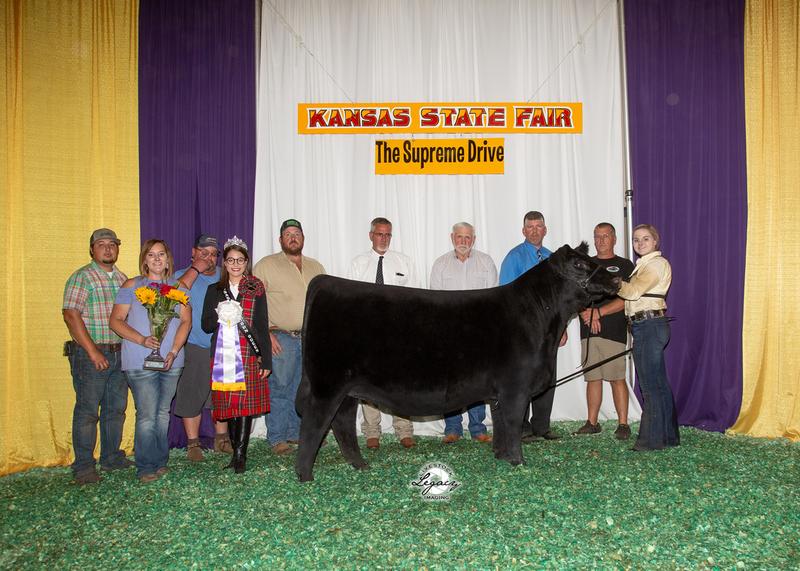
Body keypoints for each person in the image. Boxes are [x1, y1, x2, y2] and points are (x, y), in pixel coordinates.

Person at [110, 239, 191, 483]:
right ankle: (145, 466)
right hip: (139, 360)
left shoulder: (179, 288)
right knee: (147, 414)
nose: (157, 259)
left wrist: (174, 351)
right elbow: (116, 320)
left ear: (168, 259)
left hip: (170, 361)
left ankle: (159, 461)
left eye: (161, 254)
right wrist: (142, 339)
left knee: (163, 413)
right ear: (144, 260)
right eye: (152, 255)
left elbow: (186, 322)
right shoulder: (132, 285)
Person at [62, 228, 132, 484]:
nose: (107, 249)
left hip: (119, 351)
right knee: (88, 410)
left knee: (116, 409)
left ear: (117, 249)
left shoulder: (123, 278)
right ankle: (83, 466)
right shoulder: (83, 277)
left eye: (112, 244)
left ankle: (111, 457)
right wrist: (92, 351)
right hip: (90, 352)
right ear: (92, 249)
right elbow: (71, 315)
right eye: (101, 244)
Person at [253, 219, 325, 455]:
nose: (293, 237)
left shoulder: (316, 267)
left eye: (297, 233)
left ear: (303, 238)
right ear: (280, 240)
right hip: (280, 336)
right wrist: (266, 334)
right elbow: (253, 304)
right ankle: (277, 437)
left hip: (310, 338)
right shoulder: (266, 265)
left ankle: (295, 433)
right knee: (280, 388)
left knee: (302, 388)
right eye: (287, 234)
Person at [201, 237, 271, 473]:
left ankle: (240, 456)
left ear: (246, 262)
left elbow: (261, 325)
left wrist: (266, 359)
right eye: (231, 260)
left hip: (249, 354)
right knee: (229, 405)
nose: (235, 264)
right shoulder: (215, 290)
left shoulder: (256, 287)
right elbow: (206, 325)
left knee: (244, 406)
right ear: (225, 262)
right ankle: (235, 454)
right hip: (222, 356)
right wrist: (221, 315)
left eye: (240, 260)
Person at [348, 217, 417, 450]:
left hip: (398, 332)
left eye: (387, 234)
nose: (383, 238)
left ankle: (404, 430)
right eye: (379, 234)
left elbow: (415, 297)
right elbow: (352, 301)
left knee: (401, 382)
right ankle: (371, 432)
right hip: (368, 332)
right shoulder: (358, 263)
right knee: (369, 383)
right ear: (371, 235)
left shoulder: (403, 262)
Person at [499, 211, 566, 442]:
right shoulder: (514, 257)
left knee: (547, 375)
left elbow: (559, 297)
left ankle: (542, 426)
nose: (535, 230)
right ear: (523, 231)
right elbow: (507, 295)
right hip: (525, 330)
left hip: (548, 329)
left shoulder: (553, 258)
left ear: (545, 230)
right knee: (524, 376)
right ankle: (524, 427)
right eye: (530, 227)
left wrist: (562, 327)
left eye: (539, 226)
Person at [430, 222, 496, 444]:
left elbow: (493, 299)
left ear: (474, 239)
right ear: (452, 237)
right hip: (449, 332)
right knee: (452, 381)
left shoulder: (486, 262)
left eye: (468, 238)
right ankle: (452, 428)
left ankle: (478, 428)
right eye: (460, 237)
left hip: (479, 332)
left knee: (477, 380)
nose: (463, 242)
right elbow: (435, 302)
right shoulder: (440, 264)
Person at [617, 224, 679, 451]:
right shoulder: (643, 266)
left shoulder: (656, 264)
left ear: (655, 241)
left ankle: (651, 441)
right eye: (636, 240)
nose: (640, 243)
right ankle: (668, 436)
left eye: (645, 239)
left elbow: (633, 292)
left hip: (649, 325)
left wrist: (610, 282)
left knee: (650, 385)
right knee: (658, 382)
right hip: (647, 325)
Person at [173, 234, 232, 461]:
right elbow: (173, 295)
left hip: (223, 344)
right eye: (203, 252)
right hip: (195, 344)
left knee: (222, 394)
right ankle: (193, 444)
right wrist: (195, 270)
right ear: (193, 252)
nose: (209, 258)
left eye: (213, 254)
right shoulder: (181, 277)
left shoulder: (224, 277)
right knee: (192, 393)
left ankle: (222, 439)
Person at [574, 223, 634, 440]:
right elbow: (575, 295)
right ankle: (592, 422)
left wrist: (599, 312)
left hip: (614, 329)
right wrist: (587, 314)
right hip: (588, 329)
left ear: (614, 238)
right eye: (597, 236)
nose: (600, 241)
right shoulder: (585, 265)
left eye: (605, 236)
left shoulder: (625, 265)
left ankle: (623, 423)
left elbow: (626, 298)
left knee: (617, 377)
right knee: (593, 377)